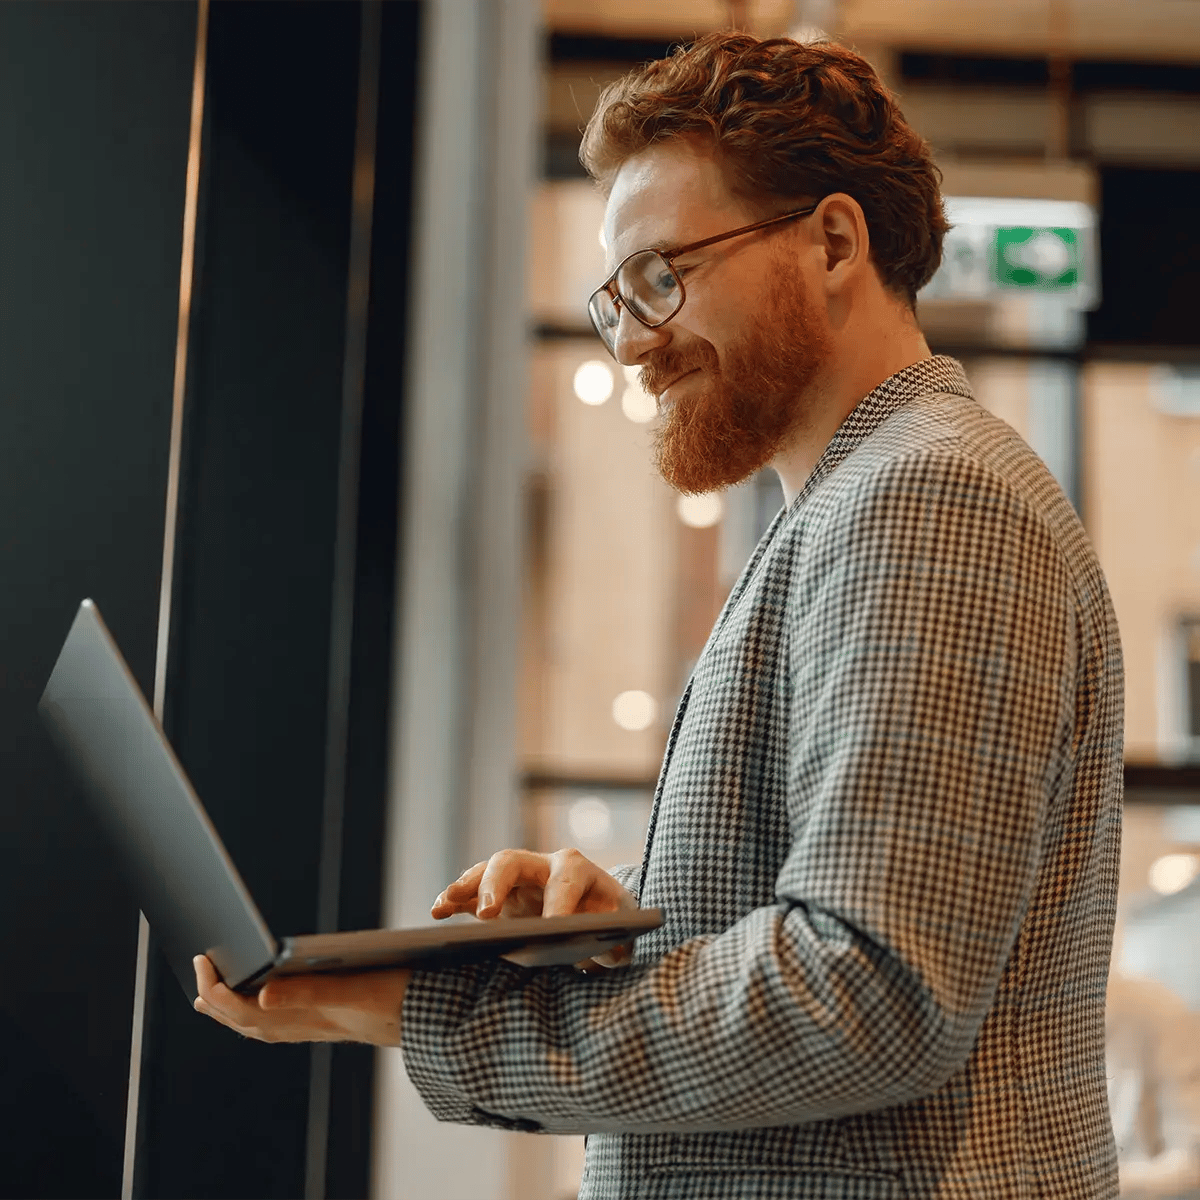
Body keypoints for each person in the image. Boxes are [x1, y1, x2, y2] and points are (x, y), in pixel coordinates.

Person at [195, 33, 1125, 1199]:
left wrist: (444, 1017)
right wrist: (633, 920)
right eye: (615, 300)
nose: (634, 340)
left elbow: (870, 995)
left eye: (661, 278)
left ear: (833, 243)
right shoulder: (849, 503)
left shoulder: (925, 496)